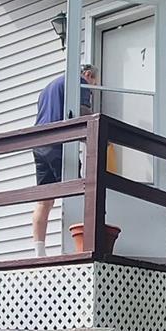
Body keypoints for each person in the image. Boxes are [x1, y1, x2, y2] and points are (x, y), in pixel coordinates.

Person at [32, 64, 97, 255]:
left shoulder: (47, 89)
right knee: (78, 192)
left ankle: (39, 252)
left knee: (44, 201)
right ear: (87, 74)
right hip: (58, 143)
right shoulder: (78, 81)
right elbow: (83, 113)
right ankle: (80, 249)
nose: (91, 88)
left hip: (39, 145)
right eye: (93, 84)